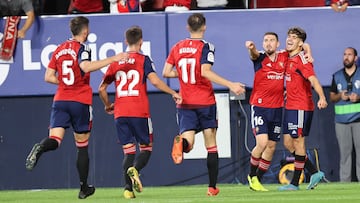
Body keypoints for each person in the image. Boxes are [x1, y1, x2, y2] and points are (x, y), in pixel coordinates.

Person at [25, 16, 128, 199]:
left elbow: (48, 76)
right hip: (79, 100)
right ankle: (83, 188)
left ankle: (40, 148)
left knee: (55, 140)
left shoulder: (58, 50)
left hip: (61, 100)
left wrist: (64, 82)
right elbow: (86, 67)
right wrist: (114, 58)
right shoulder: (83, 48)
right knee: (82, 146)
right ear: (85, 31)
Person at [162, 13, 245, 196]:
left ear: (187, 27)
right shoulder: (207, 47)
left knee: (189, 142)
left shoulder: (177, 47)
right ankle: (212, 187)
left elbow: (166, 72)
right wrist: (231, 84)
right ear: (204, 27)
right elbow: (205, 71)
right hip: (205, 101)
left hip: (185, 103)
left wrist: (182, 74)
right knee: (211, 145)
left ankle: (181, 143)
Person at [98, 25, 182, 199]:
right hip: (139, 111)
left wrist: (107, 105)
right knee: (147, 148)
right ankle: (135, 169)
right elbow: (156, 82)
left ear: (126, 41)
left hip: (120, 112)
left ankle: (128, 190)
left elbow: (102, 89)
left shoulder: (115, 62)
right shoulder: (144, 60)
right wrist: (173, 92)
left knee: (128, 151)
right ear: (141, 41)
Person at [278, 27, 328, 191]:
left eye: (293, 37)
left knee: (299, 142)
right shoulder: (287, 56)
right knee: (287, 143)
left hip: (301, 106)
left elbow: (313, 80)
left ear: (300, 42)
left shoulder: (302, 60)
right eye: (288, 36)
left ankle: (294, 184)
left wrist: (322, 97)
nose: (289, 39)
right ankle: (314, 172)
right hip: (290, 106)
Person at [245, 32, 288, 192]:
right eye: (266, 40)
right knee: (262, 143)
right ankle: (252, 175)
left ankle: (257, 180)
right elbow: (253, 54)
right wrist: (252, 48)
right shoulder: (260, 58)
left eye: (272, 40)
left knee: (271, 147)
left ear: (278, 44)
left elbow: (303, 47)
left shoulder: (284, 57)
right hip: (260, 107)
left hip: (277, 108)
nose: (268, 43)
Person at [329, 47, 360, 182]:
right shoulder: (337, 76)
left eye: (349, 55)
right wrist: (340, 95)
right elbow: (332, 97)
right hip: (341, 121)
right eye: (344, 54)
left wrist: (358, 98)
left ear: (355, 58)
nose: (346, 57)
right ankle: (345, 183)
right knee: (344, 154)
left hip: (358, 120)